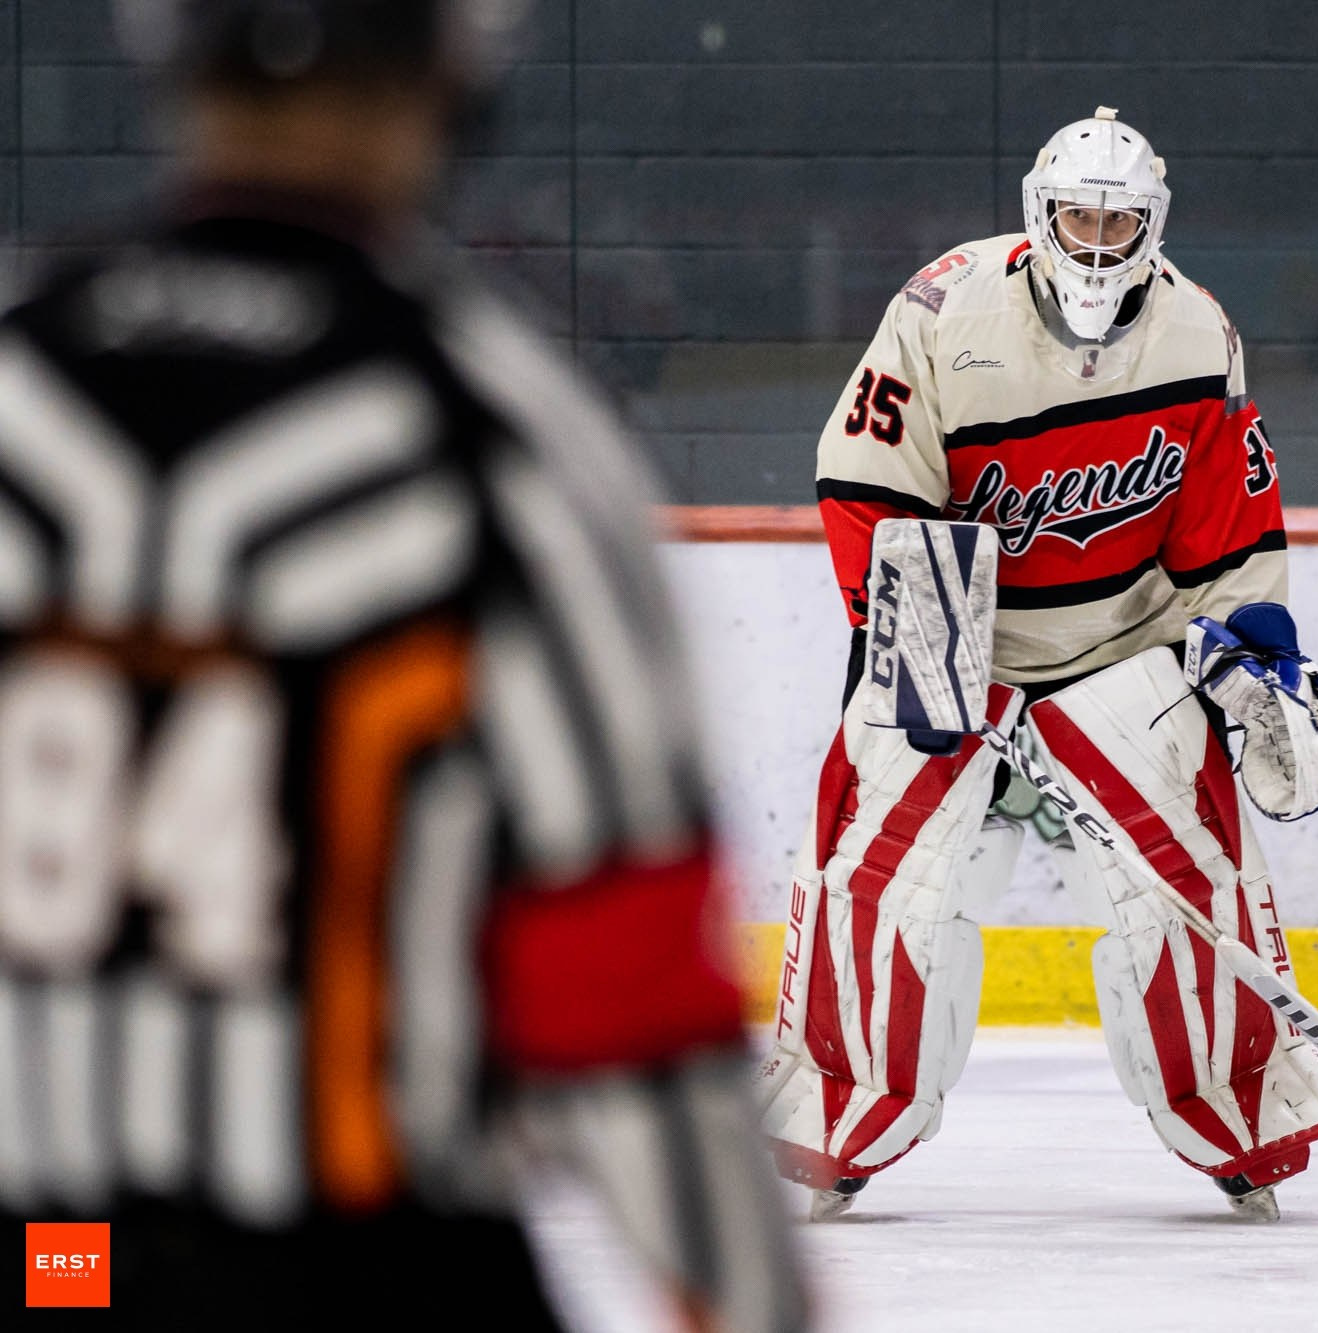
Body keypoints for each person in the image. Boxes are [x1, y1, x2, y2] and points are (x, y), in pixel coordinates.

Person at [0, 3, 805, 1328]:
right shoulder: (500, 436)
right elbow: (626, 992)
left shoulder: (23, 389)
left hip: (55, 1264)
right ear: (452, 65)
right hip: (370, 1277)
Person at [760, 107, 1318, 1222]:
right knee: (882, 871)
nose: (1095, 239)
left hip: (1117, 647)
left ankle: (1237, 1114)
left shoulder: (1198, 333)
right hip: (956, 645)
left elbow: (1227, 531)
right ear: (1038, 213)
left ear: (1153, 223)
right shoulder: (941, 310)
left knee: (1189, 871)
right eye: (1077, 216)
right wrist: (932, 655)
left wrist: (1255, 663)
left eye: (1117, 220)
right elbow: (865, 483)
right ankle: (836, 1117)